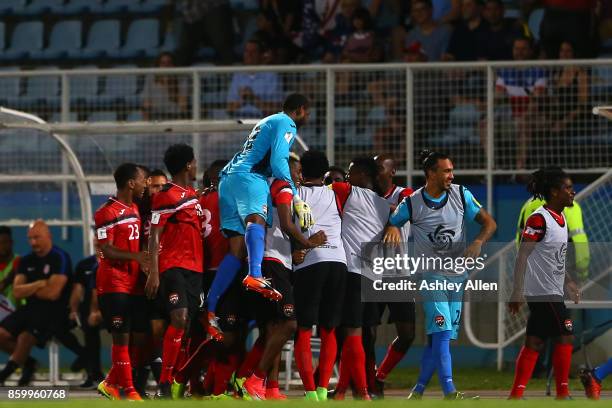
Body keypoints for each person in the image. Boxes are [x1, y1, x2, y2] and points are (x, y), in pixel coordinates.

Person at [384, 150, 496, 400]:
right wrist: (392, 227)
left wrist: (478, 242)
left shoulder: (460, 194)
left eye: (451, 170)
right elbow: (394, 221)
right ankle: (450, 392)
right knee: (443, 333)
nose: (451, 175)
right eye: (446, 171)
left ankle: (419, 391)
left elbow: (489, 223)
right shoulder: (413, 203)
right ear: (431, 173)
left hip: (459, 277)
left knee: (438, 338)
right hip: (432, 276)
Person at [205, 94, 313, 334]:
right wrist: (295, 195)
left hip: (228, 178)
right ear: (301, 109)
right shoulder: (287, 123)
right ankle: (254, 274)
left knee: (236, 248)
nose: (308, 117)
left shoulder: (266, 121)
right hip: (249, 176)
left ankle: (210, 307)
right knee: (258, 220)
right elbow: (277, 160)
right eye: (308, 112)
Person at [237, 154, 326, 400]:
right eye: (297, 170)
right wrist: (309, 242)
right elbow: (286, 224)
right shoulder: (283, 185)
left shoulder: (265, 187)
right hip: (272, 262)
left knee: (272, 327)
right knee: (289, 324)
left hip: (269, 260)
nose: (299, 175)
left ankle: (270, 387)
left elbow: (278, 226)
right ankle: (254, 380)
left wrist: (296, 250)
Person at [508, 167, 580, 400]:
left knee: (534, 341)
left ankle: (516, 396)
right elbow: (523, 255)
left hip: (552, 289)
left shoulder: (561, 219)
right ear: (554, 191)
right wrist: (516, 290)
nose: (572, 192)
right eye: (567, 188)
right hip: (542, 291)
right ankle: (562, 393)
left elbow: (556, 258)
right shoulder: (539, 218)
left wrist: (568, 281)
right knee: (566, 334)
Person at [145, 144, 204, 398]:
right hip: (173, 266)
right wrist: (154, 272)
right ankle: (165, 383)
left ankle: (177, 380)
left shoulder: (192, 194)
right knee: (178, 318)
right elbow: (154, 234)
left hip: (196, 269)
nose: (196, 166)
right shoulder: (166, 195)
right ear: (188, 165)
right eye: (194, 162)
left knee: (187, 326)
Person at [330, 157, 391, 401]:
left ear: (363, 174)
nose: (346, 176)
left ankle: (363, 391)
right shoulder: (385, 205)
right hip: (373, 275)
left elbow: (319, 187)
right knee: (361, 336)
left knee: (351, 334)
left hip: (353, 271)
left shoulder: (348, 191)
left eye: (351, 171)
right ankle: (344, 390)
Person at [293, 151, 347, 401]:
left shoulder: (295, 193)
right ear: (326, 173)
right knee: (329, 329)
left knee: (304, 329)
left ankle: (310, 392)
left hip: (310, 262)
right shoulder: (337, 191)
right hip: (338, 261)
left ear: (301, 170)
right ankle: (324, 389)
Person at [95, 163, 149, 401]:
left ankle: (110, 383)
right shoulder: (105, 212)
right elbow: (106, 250)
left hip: (132, 284)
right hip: (113, 283)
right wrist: (136, 256)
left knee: (135, 336)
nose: (144, 184)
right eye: (142, 180)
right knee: (121, 336)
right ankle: (128, 390)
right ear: (130, 183)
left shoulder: (136, 208)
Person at [0, 221, 74, 386]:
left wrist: (31, 289)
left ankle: (6, 373)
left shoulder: (59, 257)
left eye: (37, 237)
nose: (33, 242)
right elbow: (17, 291)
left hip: (54, 310)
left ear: (48, 236)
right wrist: (39, 284)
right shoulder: (26, 260)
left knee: (25, 337)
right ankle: (29, 363)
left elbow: (53, 293)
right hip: (30, 307)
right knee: (2, 334)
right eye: (30, 238)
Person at [370, 155, 415, 397]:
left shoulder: (403, 193)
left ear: (392, 171)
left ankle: (379, 376)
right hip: (371, 273)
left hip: (398, 273)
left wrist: (389, 216)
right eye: (374, 169)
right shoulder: (366, 194)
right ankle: (367, 378)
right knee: (367, 331)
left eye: (381, 169)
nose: (377, 174)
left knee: (407, 334)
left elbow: (406, 209)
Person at [69, 255, 104, 389]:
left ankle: (128, 376)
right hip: (91, 309)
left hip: (113, 305)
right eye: (96, 235)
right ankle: (94, 374)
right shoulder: (85, 264)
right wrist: (73, 309)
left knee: (121, 333)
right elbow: (78, 289)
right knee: (89, 328)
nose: (98, 239)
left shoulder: (118, 260)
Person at [226, 39, 283, 118]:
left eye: (253, 52)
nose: (249, 54)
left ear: (260, 55)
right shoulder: (237, 76)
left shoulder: (272, 76)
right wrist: (243, 99)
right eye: (247, 51)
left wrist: (253, 98)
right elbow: (229, 109)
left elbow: (275, 110)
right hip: (239, 123)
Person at [175, 0, 235, 66]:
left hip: (213, 7)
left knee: (222, 45)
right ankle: (177, 74)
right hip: (190, 14)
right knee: (183, 52)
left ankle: (231, 73)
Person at [142, 53, 189, 121]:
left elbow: (183, 106)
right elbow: (146, 103)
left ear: (174, 65)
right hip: (156, 116)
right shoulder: (151, 77)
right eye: (163, 63)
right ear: (158, 66)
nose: (166, 66)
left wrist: (170, 84)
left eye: (169, 63)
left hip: (176, 115)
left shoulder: (182, 78)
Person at [0, 226, 21, 308]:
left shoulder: (20, 261)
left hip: (16, 314)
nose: (1, 246)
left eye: (4, 242)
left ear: (11, 242)